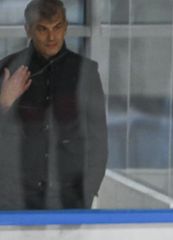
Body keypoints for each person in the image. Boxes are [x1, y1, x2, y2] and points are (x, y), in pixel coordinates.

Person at [0, 0, 107, 209]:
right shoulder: (6, 69)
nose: (51, 37)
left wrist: (88, 194)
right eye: (42, 29)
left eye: (57, 27)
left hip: (71, 200)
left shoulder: (86, 72)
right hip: (14, 201)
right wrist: (3, 103)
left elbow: (98, 140)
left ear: (66, 27)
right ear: (28, 30)